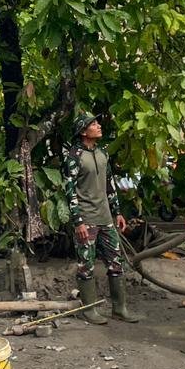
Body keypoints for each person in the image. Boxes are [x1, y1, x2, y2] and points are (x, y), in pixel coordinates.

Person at [62, 112, 136, 325]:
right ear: (83, 131)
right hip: (87, 219)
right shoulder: (74, 156)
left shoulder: (103, 153)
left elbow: (110, 184)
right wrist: (78, 221)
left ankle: (119, 309)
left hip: (106, 218)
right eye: (93, 124)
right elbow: (69, 191)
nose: (98, 125)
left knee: (116, 262)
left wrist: (117, 212)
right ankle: (89, 310)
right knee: (86, 264)